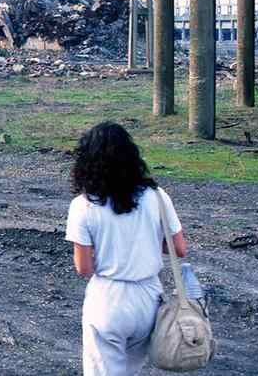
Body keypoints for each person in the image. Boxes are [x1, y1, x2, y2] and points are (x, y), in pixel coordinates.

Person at [65, 121, 187, 376]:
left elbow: (83, 268)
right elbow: (179, 248)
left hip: (109, 300)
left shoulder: (83, 205)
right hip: (149, 298)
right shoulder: (157, 196)